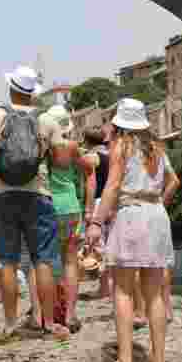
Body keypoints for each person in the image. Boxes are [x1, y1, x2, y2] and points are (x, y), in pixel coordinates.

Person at [0, 66, 70, 342]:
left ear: (11, 88)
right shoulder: (47, 121)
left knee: (8, 261)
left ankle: (10, 323)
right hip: (39, 195)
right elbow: (63, 162)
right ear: (32, 93)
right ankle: (49, 323)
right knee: (43, 260)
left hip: (4, 196)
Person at [87, 98, 179, 362]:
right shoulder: (158, 148)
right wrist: (157, 204)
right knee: (154, 292)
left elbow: (113, 186)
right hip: (157, 215)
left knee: (124, 289)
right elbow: (173, 181)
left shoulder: (121, 147)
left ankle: (126, 361)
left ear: (119, 123)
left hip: (131, 215)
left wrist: (95, 222)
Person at [44, 105, 90, 332]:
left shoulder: (42, 148)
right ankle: (70, 315)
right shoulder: (72, 147)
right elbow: (89, 169)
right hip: (71, 208)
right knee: (70, 261)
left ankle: (50, 313)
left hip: (47, 207)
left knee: (47, 263)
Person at [81, 127, 111, 298]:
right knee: (110, 244)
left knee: (99, 246)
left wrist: (88, 209)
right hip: (113, 203)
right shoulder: (111, 155)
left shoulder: (91, 158)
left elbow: (91, 186)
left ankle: (104, 288)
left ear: (87, 140)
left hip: (99, 202)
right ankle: (109, 285)